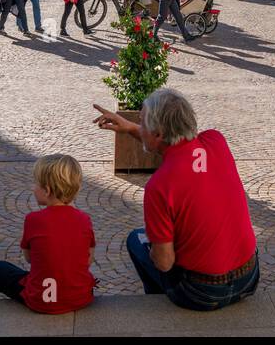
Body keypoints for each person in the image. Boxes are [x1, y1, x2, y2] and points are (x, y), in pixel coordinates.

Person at [94, 90, 259, 311]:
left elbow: (164, 263)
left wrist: (156, 246)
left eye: (142, 123)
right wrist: (131, 128)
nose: (139, 128)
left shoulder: (159, 186)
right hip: (249, 277)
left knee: (136, 240)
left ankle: (160, 305)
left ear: (158, 134)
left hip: (202, 292)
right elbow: (180, 153)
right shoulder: (216, 141)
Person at [0, 155, 97, 314]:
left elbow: (30, 258)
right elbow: (88, 259)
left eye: (36, 184)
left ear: (47, 190)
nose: (33, 188)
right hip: (81, 297)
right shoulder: (84, 220)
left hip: (42, 300)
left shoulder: (33, 219)